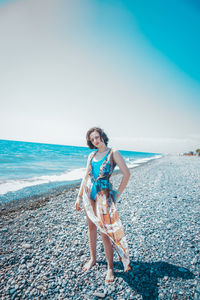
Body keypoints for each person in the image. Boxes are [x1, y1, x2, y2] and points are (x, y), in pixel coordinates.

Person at [75, 127, 131, 283]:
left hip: (103, 196)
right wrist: (79, 197)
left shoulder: (113, 153)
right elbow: (85, 176)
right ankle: (93, 259)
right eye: (92, 139)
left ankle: (110, 268)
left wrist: (117, 194)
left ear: (103, 137)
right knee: (91, 227)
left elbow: (127, 174)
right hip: (88, 194)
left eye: (97, 137)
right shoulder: (91, 155)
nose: (95, 141)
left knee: (105, 233)